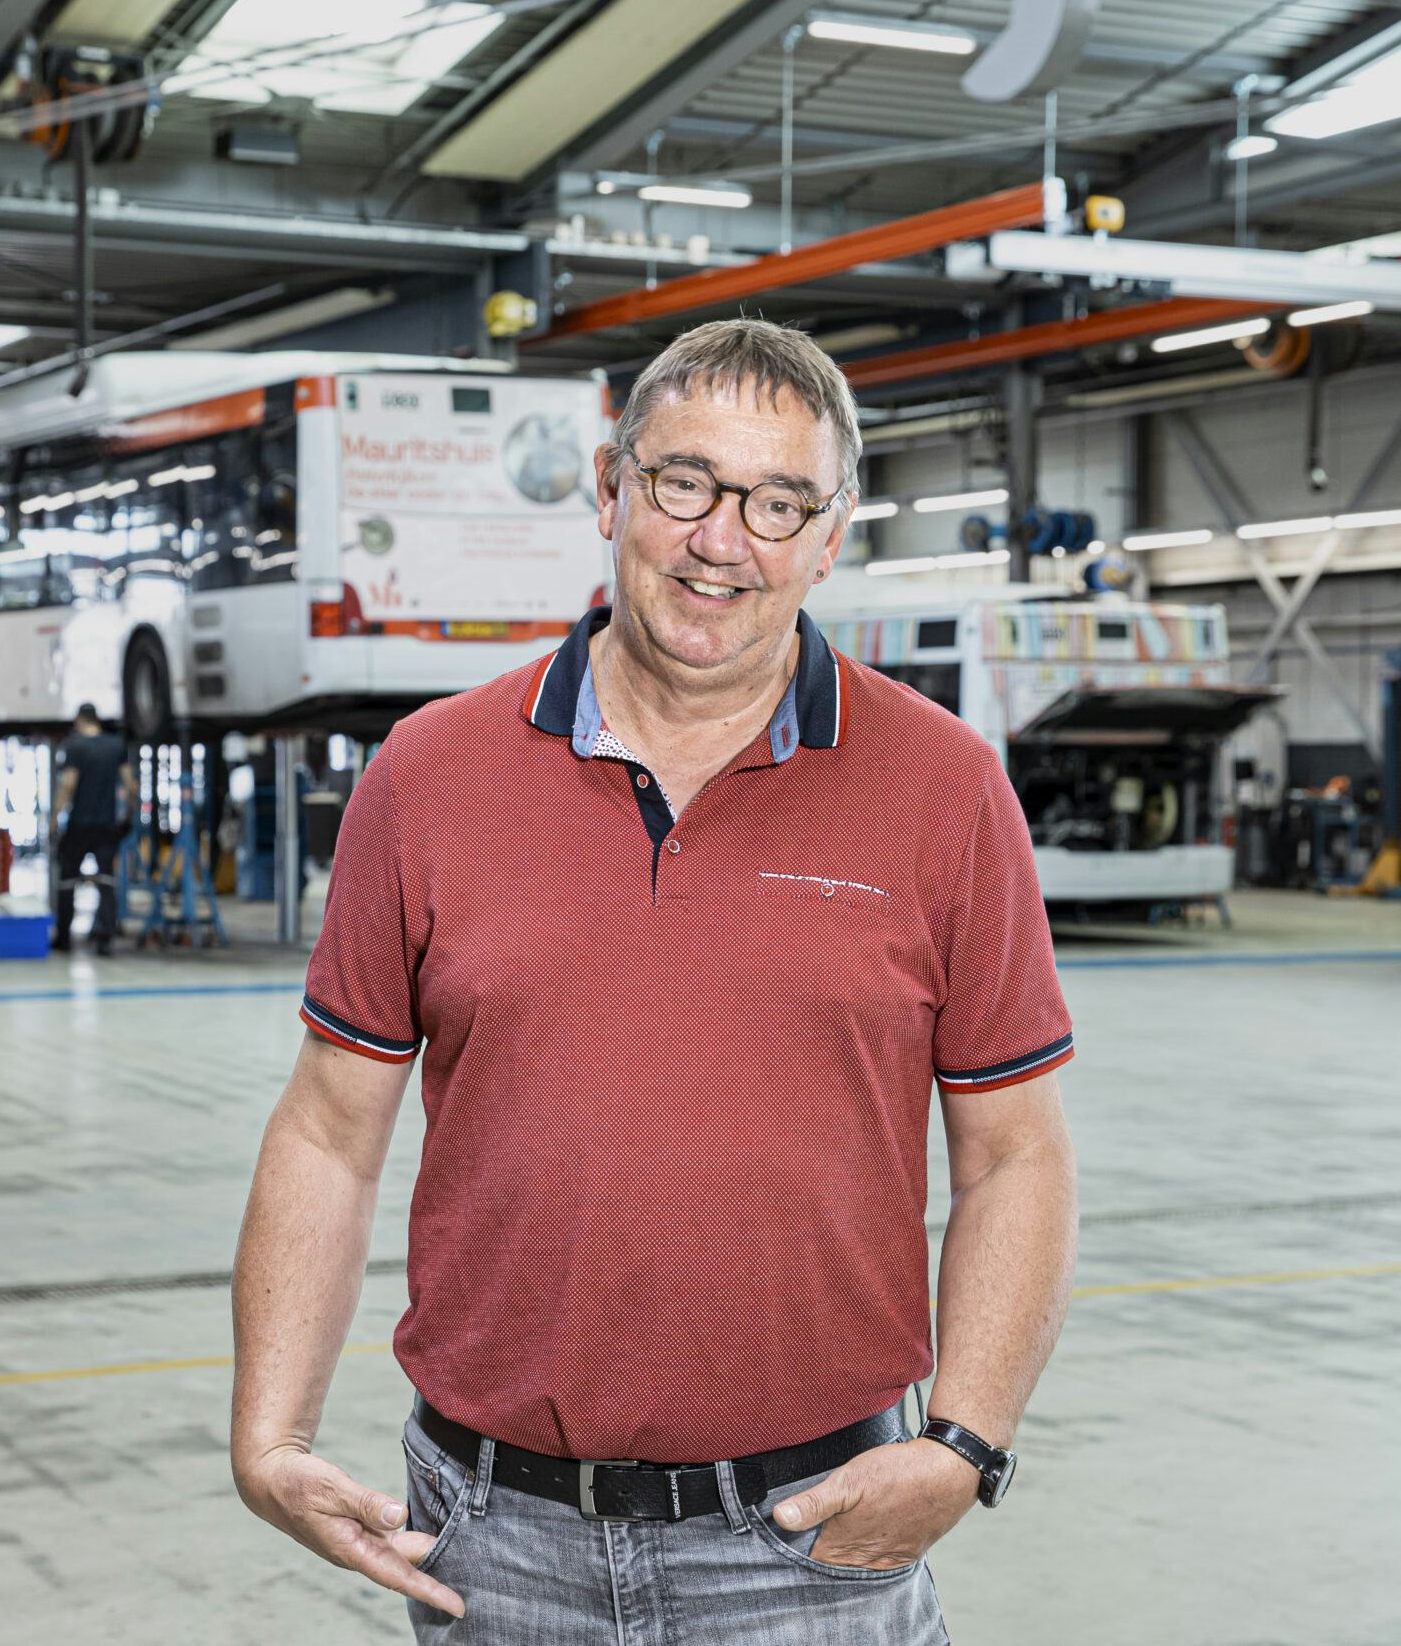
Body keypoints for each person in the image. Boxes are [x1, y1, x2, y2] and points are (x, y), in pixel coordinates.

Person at [229, 318, 1078, 1642]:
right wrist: (268, 1430)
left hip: (813, 1541)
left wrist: (962, 1443)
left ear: (829, 535)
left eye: (776, 499)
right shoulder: (430, 774)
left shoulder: (945, 787)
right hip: (492, 1539)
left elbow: (1015, 1153)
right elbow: (330, 1127)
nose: (720, 538)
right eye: (684, 481)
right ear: (612, 486)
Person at [53, 704, 135, 955]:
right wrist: (127, 816)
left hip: (80, 824)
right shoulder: (115, 746)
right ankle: (105, 939)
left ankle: (64, 938)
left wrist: (54, 817)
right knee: (106, 881)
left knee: (68, 880)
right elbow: (131, 785)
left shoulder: (74, 745)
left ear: (79, 720)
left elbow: (68, 784)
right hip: (107, 825)